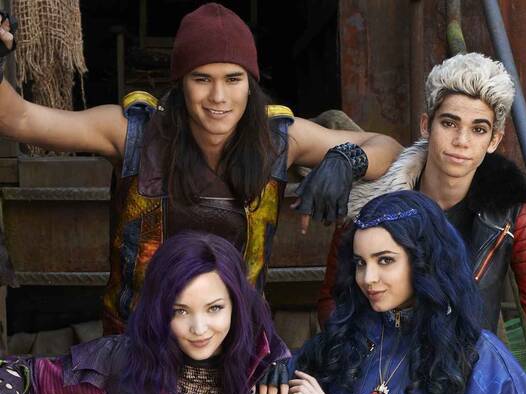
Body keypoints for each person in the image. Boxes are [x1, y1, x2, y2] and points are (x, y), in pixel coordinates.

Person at [0, 3, 401, 335]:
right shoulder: (133, 132)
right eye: (202, 79)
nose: (218, 96)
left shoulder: (278, 138)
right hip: (139, 345)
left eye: (233, 79)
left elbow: (389, 147)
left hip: (237, 342)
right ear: (180, 83)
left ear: (251, 84)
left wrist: (346, 159)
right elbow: (18, 120)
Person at [316, 52, 526, 394]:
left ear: (494, 139)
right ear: (426, 125)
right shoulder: (377, 198)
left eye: (478, 129)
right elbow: (335, 300)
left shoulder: (513, 209)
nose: (461, 141)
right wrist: (356, 369)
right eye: (449, 123)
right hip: (383, 380)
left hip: (468, 380)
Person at [0, 232, 347, 394]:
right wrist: (10, 385)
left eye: (214, 308)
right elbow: (29, 375)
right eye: (180, 311)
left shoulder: (268, 374)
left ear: (236, 306)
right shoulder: (123, 360)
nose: (199, 328)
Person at [294, 190, 526, 394]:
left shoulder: (475, 355)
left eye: (385, 260)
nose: (368, 278)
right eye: (360, 263)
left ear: (423, 261)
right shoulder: (340, 346)